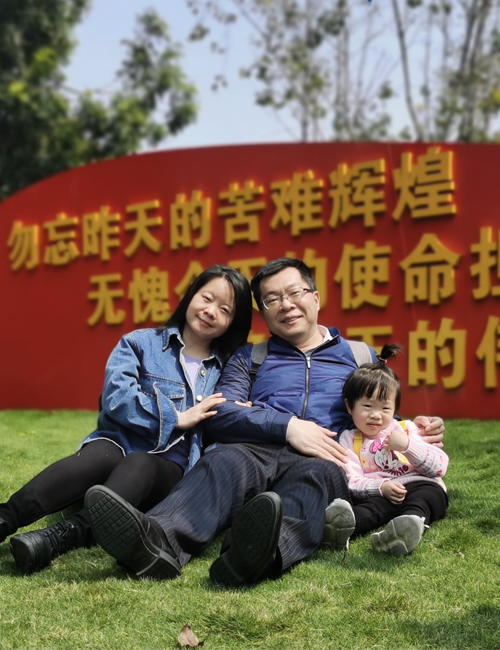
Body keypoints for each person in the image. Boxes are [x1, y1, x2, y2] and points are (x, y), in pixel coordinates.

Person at [84, 258, 445, 586]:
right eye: (272, 299)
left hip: (325, 456)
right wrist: (288, 426)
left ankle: (253, 556)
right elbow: (222, 411)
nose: (286, 305)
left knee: (315, 479)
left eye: (294, 293)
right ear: (264, 314)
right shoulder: (250, 357)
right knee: (222, 462)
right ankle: (156, 542)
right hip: (253, 448)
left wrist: (415, 429)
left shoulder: (359, 355)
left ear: (315, 298)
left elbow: (378, 415)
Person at [0, 265, 252, 575]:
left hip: (170, 468)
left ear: (233, 322)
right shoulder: (140, 343)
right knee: (95, 458)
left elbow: (231, 420)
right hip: (118, 442)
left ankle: (56, 538)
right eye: (207, 298)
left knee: (139, 463)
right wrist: (176, 417)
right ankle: (6, 517)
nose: (211, 311)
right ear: (191, 295)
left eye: (225, 310)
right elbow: (117, 398)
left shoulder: (230, 369)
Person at [322, 343, 448, 556]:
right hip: (382, 493)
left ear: (395, 408)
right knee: (370, 509)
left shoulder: (408, 429)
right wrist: (381, 487)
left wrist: (408, 446)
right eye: (367, 406)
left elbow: (439, 467)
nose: (376, 415)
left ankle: (408, 526)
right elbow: (352, 481)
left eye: (385, 408)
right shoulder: (349, 439)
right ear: (349, 406)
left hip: (420, 484)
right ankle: (338, 527)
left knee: (426, 497)